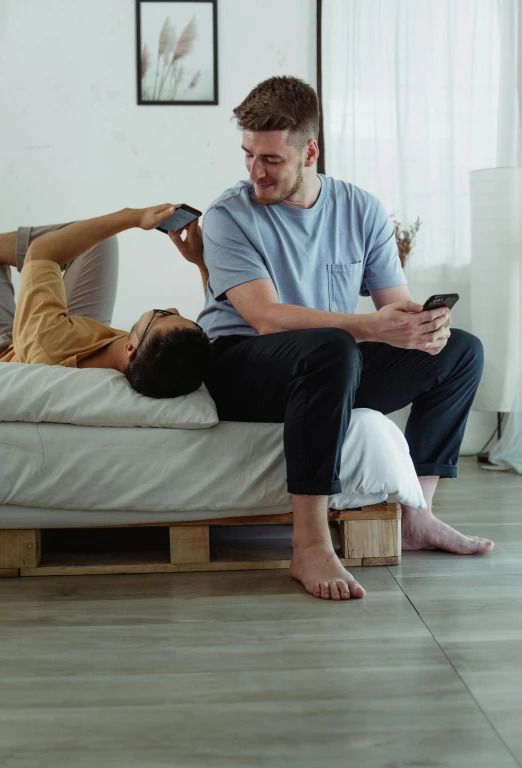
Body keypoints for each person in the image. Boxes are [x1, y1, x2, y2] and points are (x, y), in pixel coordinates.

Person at [198, 75, 494, 602]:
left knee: (461, 350)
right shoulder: (227, 215)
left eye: (270, 160)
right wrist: (365, 328)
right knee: (333, 345)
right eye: (247, 156)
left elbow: (392, 305)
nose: (254, 172)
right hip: (240, 367)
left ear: (309, 151)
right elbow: (264, 317)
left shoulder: (361, 208)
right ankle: (308, 543)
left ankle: (416, 516)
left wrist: (420, 327)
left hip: (325, 370)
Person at [0, 204, 211, 398]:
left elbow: (40, 251)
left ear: (131, 349)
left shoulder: (47, 341)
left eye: (162, 315)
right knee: (98, 242)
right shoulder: (166, 360)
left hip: (11, 347)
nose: (171, 307)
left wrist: (134, 217)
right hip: (84, 340)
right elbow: (215, 317)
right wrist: (201, 261)